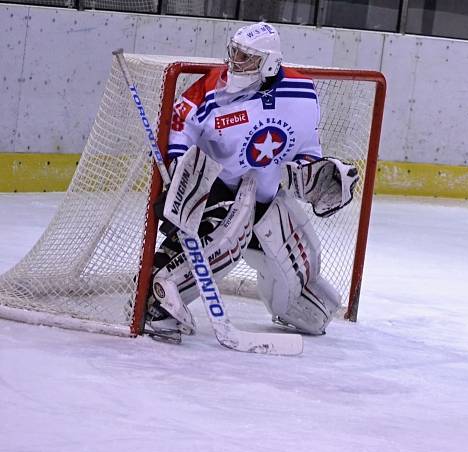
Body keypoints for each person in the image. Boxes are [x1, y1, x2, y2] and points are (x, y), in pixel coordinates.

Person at [144, 22, 359, 341]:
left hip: (266, 197)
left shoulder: (301, 92)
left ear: (270, 62)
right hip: (213, 193)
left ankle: (291, 304)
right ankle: (156, 301)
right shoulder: (212, 88)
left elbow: (308, 145)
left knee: (307, 281)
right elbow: (180, 124)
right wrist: (180, 174)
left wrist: (314, 173)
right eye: (235, 52)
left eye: (247, 57)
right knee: (224, 239)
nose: (235, 62)